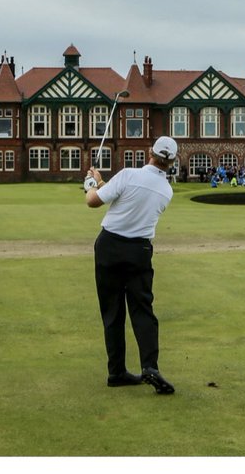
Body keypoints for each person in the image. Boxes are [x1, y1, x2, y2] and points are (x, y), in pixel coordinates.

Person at [84, 136, 179, 394]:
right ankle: (150, 365)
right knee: (142, 309)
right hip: (139, 250)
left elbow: (94, 201)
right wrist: (101, 183)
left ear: (150, 152)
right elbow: (129, 198)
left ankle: (116, 372)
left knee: (113, 312)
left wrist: (90, 185)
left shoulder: (127, 175)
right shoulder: (166, 191)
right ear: (171, 161)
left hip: (109, 246)